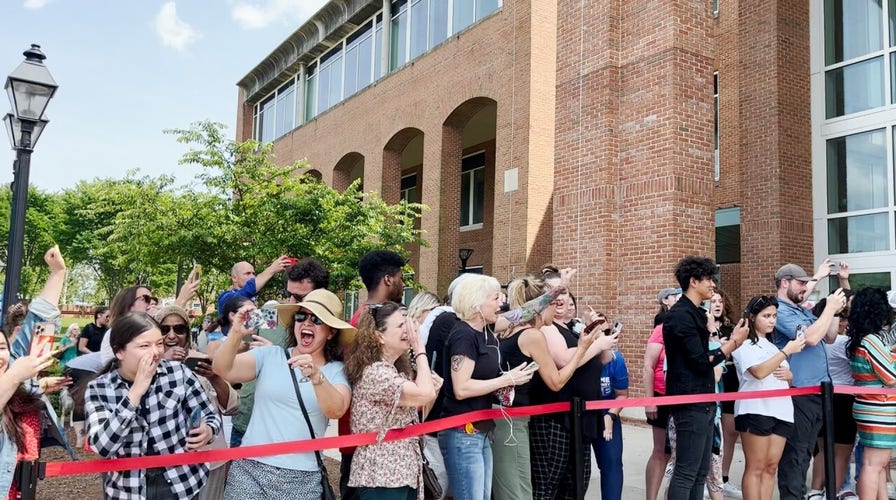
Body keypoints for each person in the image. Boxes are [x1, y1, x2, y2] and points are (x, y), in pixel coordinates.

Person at [213, 288, 352, 498]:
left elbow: (337, 409)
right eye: (300, 316)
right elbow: (224, 369)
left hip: (302, 478)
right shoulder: (270, 355)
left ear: (331, 331)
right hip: (250, 469)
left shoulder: (335, 370)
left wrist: (316, 377)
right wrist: (235, 333)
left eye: (316, 319)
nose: (306, 323)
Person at [85, 313, 221, 499]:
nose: (156, 352)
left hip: (182, 482)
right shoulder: (99, 388)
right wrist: (135, 392)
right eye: (144, 346)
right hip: (127, 489)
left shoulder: (178, 373)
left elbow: (211, 415)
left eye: (159, 343)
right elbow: (103, 447)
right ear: (119, 351)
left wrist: (209, 431)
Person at [492, 276, 599, 500]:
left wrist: (557, 289)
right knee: (518, 492)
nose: (557, 309)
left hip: (510, 418)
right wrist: (582, 349)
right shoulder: (532, 335)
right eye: (554, 304)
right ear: (542, 306)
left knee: (522, 488)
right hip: (512, 422)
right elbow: (556, 381)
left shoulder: (508, 329)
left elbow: (523, 311)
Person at [439, 274, 535, 500]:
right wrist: (506, 380)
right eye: (494, 298)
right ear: (476, 303)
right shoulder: (464, 335)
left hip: (480, 430)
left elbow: (524, 313)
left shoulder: (487, 329)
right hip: (463, 431)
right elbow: (461, 388)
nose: (500, 303)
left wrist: (555, 292)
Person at [663, 256, 748, 500]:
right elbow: (701, 361)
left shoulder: (698, 314)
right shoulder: (680, 316)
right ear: (693, 281)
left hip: (705, 401)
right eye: (709, 279)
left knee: (701, 472)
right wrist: (733, 343)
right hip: (689, 402)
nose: (713, 284)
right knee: (686, 472)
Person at [229, 258, 330, 447]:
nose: (290, 302)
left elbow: (324, 379)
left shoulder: (328, 330)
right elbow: (232, 344)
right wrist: (241, 346)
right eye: (288, 294)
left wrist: (276, 356)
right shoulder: (271, 312)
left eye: (300, 298)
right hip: (246, 421)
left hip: (290, 435)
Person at [344, 301, 438, 499]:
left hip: (403, 471)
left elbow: (419, 415)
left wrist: (429, 387)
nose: (409, 331)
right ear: (379, 336)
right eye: (400, 326)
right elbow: (425, 394)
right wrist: (420, 348)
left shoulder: (394, 371)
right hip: (382, 475)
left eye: (409, 324)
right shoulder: (376, 372)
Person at [531, 288, 618, 500]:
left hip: (582, 417)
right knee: (552, 480)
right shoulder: (549, 329)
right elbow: (563, 359)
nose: (564, 303)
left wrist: (598, 332)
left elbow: (607, 358)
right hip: (558, 416)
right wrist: (596, 345)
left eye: (568, 299)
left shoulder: (575, 330)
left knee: (578, 480)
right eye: (557, 299)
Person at [772, 262, 847, 500]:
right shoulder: (780, 311)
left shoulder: (801, 310)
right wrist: (828, 309)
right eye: (800, 283)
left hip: (818, 392)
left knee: (809, 451)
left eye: (807, 283)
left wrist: (833, 308)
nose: (805, 288)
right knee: (797, 454)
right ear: (785, 283)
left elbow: (830, 336)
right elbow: (812, 338)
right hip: (799, 393)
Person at [154, 305, 239, 500]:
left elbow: (233, 406)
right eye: (164, 329)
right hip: (166, 465)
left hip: (210, 458)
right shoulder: (147, 365)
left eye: (179, 329)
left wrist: (215, 378)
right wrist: (162, 362)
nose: (172, 336)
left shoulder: (201, 360)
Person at [733, 296, 805, 500]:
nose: (772, 320)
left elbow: (782, 377)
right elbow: (759, 372)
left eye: (774, 316)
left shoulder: (773, 346)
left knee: (771, 466)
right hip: (755, 409)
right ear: (753, 317)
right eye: (766, 316)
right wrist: (786, 351)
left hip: (781, 409)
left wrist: (789, 376)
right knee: (756, 466)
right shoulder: (745, 344)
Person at [846, 288, 896, 500]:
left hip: (872, 406)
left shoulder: (863, 339)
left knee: (877, 463)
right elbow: (890, 377)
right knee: (873, 465)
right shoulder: (872, 341)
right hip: (879, 408)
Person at [589, 311, 629, 500]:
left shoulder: (616, 359)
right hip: (582, 415)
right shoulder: (581, 358)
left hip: (607, 415)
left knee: (612, 463)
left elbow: (622, 395)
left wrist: (611, 415)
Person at [645, 286, 679, 500]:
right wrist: (650, 401)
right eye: (676, 296)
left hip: (685, 397)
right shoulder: (662, 327)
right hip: (661, 394)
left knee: (680, 455)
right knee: (661, 452)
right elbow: (648, 365)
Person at [710, 289, 743, 498]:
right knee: (712, 434)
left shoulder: (731, 327)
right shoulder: (701, 327)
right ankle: (707, 479)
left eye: (720, 301)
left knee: (730, 433)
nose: (717, 304)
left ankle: (724, 477)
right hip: (710, 384)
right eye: (713, 301)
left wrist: (728, 347)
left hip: (731, 382)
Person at [216, 256, 292, 314]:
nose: (252, 277)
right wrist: (272, 269)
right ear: (234, 278)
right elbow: (246, 291)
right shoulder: (225, 298)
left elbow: (261, 323)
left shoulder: (251, 299)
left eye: (253, 273)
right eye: (247, 273)